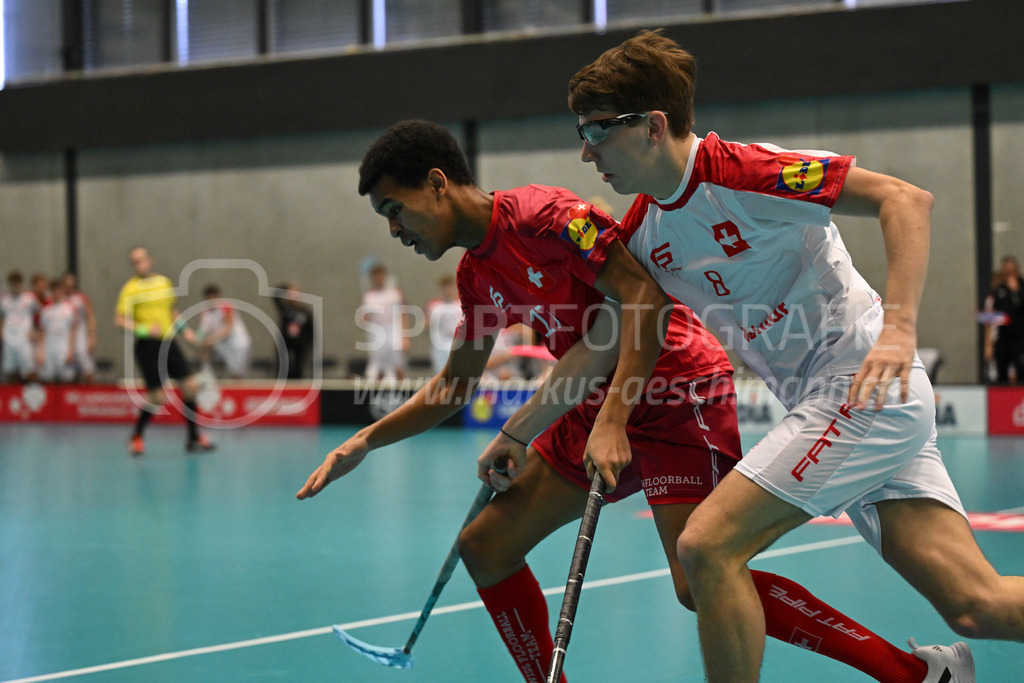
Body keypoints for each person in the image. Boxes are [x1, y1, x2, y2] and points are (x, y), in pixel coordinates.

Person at [298, 120, 946, 683]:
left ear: (436, 183)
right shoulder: (476, 274)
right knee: (486, 544)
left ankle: (911, 672)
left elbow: (646, 301)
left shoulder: (545, 216)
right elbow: (454, 386)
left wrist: (600, 419)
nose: (394, 230)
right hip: (594, 403)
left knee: (699, 578)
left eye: (395, 208)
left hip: (673, 390)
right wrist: (363, 440)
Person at [562, 28, 1023, 682]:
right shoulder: (645, 234)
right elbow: (632, 327)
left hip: (859, 384)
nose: (587, 152)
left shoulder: (745, 172)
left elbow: (903, 199)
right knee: (976, 604)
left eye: (598, 129)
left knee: (706, 545)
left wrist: (899, 327)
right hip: (837, 407)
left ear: (653, 126)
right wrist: (604, 420)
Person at [115, 246, 215, 455]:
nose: (139, 264)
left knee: (190, 387)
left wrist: (185, 331)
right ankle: (136, 437)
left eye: (142, 259)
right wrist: (143, 329)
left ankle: (193, 438)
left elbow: (171, 312)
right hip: (147, 347)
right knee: (158, 396)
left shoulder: (164, 283)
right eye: (135, 262)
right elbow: (120, 320)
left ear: (150, 260)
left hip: (169, 343)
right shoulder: (130, 289)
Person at [359, 262, 408, 380]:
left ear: (385, 276)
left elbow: (403, 313)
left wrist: (405, 336)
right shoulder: (368, 296)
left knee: (398, 365)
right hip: (377, 337)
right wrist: (365, 316)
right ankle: (378, 394)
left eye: (380, 275)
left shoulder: (395, 293)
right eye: (376, 276)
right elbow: (363, 317)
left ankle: (404, 393)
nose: (378, 278)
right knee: (379, 367)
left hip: (393, 334)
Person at [195, 283, 252, 379]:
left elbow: (228, 328)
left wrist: (213, 338)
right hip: (222, 343)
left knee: (237, 373)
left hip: (238, 343)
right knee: (204, 346)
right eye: (209, 298)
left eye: (214, 297)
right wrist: (198, 339)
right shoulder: (205, 311)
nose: (212, 300)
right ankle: (206, 371)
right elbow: (202, 330)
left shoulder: (226, 307)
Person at [983, 255, 1023, 384]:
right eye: (1006, 269)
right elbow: (989, 318)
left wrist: (1015, 291)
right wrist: (988, 345)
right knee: (1001, 375)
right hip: (1003, 339)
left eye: (1012, 269)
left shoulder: (1022, 287)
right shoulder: (998, 291)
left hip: (1021, 339)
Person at [1, 270, 41, 383]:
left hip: (24, 339)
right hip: (9, 340)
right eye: (13, 282)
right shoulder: (4, 299)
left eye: (17, 282)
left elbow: (41, 314)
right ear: (9, 283)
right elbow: (1, 316)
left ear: (21, 283)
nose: (15, 285)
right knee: (10, 371)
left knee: (30, 371)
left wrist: (36, 331)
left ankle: (35, 395)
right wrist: (1, 331)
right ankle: (12, 397)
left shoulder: (29, 298)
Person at [37, 278, 80, 384]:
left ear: (62, 291)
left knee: (66, 378)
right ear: (50, 292)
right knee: (48, 378)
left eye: (58, 291)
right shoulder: (46, 311)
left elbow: (73, 330)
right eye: (53, 291)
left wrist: (71, 349)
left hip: (63, 347)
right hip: (49, 348)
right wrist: (40, 351)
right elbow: (42, 331)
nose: (56, 293)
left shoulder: (69, 308)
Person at [273, 282, 314, 379]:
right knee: (283, 367)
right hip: (285, 344)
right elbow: (275, 296)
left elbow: (311, 331)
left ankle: (297, 386)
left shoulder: (305, 312)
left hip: (299, 345)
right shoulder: (285, 309)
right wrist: (286, 288)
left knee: (297, 367)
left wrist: (306, 343)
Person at [62, 272, 97, 383]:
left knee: (86, 366)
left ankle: (91, 394)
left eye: (71, 287)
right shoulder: (59, 299)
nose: (69, 289)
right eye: (67, 286)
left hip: (80, 335)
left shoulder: (81, 298)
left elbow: (90, 317)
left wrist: (92, 338)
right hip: (64, 337)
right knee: (69, 370)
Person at [425, 274, 462, 374]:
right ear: (441, 288)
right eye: (445, 287)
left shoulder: (461, 305)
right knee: (440, 376)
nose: (447, 290)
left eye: (449, 287)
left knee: (456, 375)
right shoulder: (434, 305)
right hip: (439, 347)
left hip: (456, 346)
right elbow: (427, 323)